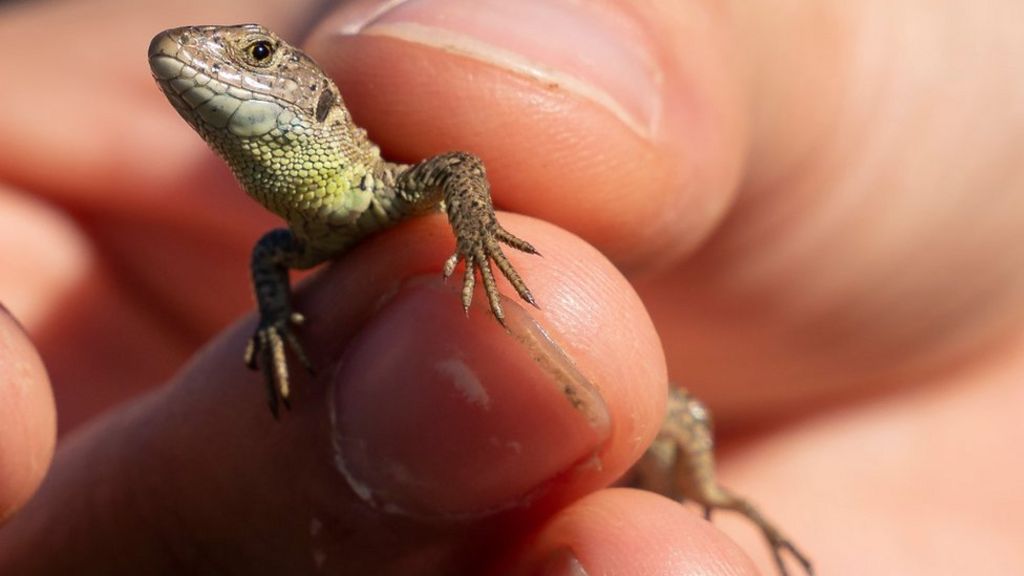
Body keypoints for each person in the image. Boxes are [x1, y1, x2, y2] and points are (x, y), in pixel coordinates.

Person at [1, 0, 1022, 573]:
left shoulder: (373, 175)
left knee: (682, 424)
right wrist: (275, 324)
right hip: (534, 405)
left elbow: (454, 167)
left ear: (310, 90)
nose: (211, 62)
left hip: (625, 361)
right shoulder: (295, 232)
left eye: (257, 52)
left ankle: (712, 497)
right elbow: (275, 259)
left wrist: (477, 241)